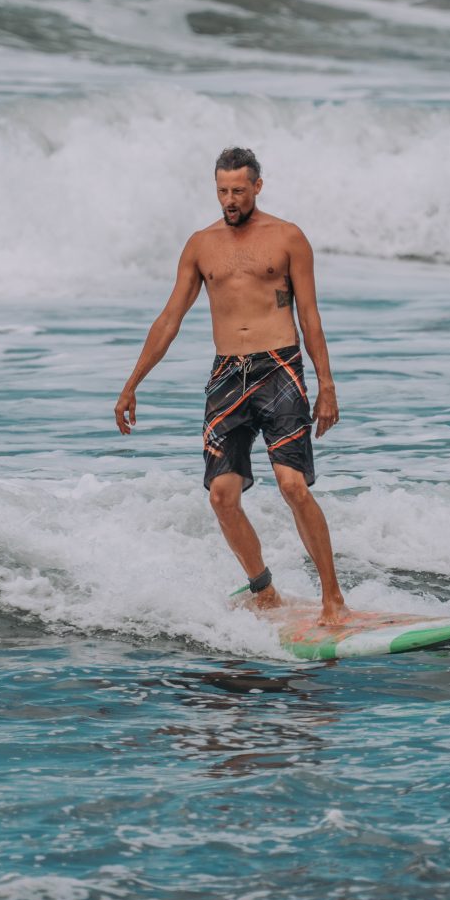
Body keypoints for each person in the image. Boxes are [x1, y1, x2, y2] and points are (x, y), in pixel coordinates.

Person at [114, 147, 347, 625]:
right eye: (222, 191)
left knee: (292, 486)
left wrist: (327, 385)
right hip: (226, 377)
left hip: (279, 369)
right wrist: (131, 384)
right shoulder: (201, 245)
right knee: (221, 496)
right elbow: (170, 319)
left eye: (239, 190)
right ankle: (265, 591)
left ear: (257, 186)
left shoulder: (288, 237)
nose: (230, 199)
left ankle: (333, 599)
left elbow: (310, 317)